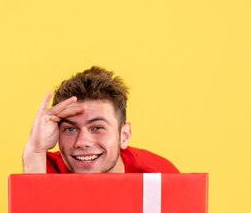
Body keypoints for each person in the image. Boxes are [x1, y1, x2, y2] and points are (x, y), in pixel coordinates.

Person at [22, 67, 179, 174]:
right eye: (70, 129)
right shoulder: (45, 169)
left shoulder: (158, 177)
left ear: (124, 136)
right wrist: (35, 151)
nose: (82, 142)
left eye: (97, 128)